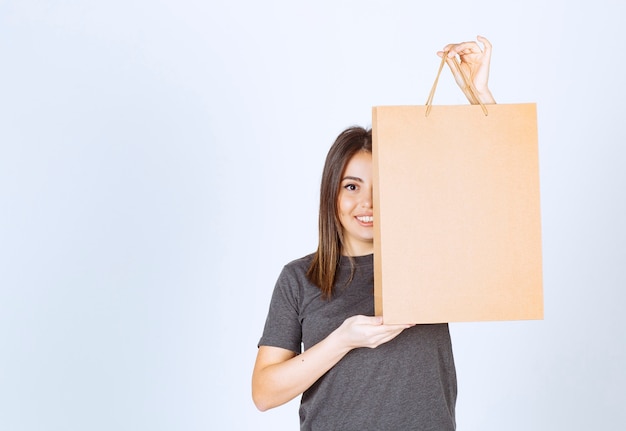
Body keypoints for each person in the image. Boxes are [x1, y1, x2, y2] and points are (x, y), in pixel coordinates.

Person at [252, 36, 497, 430]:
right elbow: (264, 393)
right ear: (331, 192)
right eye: (352, 186)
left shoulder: (429, 259)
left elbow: (493, 206)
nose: (367, 203)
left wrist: (479, 95)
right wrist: (343, 339)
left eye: (381, 187)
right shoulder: (299, 278)